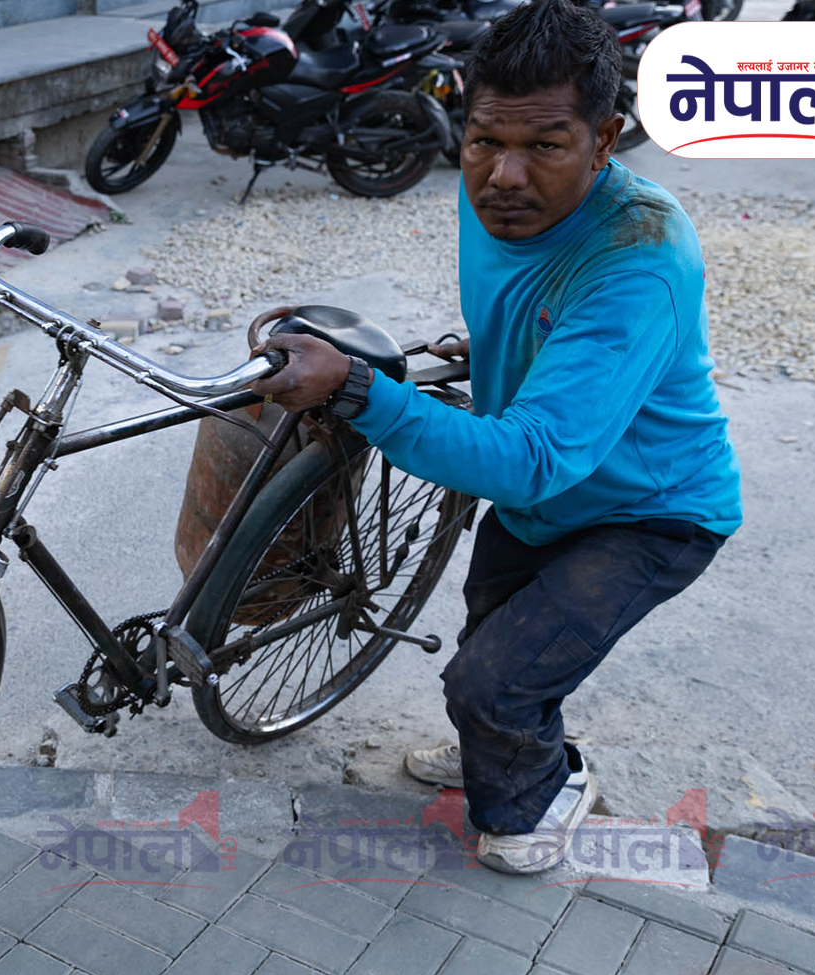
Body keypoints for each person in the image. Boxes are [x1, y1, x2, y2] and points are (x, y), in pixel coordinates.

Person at [248, 0, 742, 874]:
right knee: (493, 638)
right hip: (545, 488)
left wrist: (362, 388)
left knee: (492, 682)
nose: (504, 176)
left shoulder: (641, 253)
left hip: (649, 511)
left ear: (605, 137)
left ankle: (546, 783)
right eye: (483, 141)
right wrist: (492, 349)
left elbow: (531, 462)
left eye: (545, 146)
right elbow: (533, 310)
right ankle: (504, 737)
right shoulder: (498, 198)